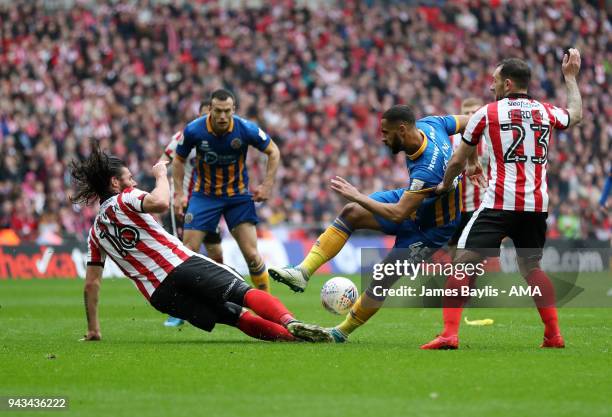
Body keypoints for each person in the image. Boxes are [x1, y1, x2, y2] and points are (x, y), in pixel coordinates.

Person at [71, 145, 330, 343]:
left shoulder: (96, 232)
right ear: (115, 183)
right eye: (129, 178)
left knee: (235, 317)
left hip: (159, 296)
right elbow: (160, 203)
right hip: (181, 265)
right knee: (243, 293)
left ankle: (294, 339)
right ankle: (290, 322)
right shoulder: (126, 198)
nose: (134, 182)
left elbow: (91, 283)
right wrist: (162, 176)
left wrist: (93, 329)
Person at [421, 49, 583, 350]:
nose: (490, 85)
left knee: (462, 265)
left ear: (508, 83)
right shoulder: (546, 111)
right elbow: (576, 115)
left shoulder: (487, 113)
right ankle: (553, 335)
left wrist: (444, 185)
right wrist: (570, 78)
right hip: (536, 205)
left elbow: (458, 160)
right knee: (532, 268)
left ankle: (449, 334)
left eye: (494, 80)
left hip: (499, 202)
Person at [272, 106, 472, 342]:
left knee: (381, 278)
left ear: (402, 129)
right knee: (352, 213)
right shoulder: (433, 124)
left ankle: (341, 332)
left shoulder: (427, 169)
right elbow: (472, 121)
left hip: (431, 228)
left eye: (386, 132)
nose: (383, 137)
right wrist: (473, 158)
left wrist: (358, 195)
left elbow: (398, 214)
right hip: (412, 200)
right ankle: (302, 272)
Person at [173, 89, 280, 293]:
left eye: (227, 111)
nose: (222, 116)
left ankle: (267, 303)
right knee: (188, 251)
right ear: (210, 109)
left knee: (251, 254)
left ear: (234, 110)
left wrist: (267, 185)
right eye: (218, 111)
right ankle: (186, 304)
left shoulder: (246, 128)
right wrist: (179, 194)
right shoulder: (194, 130)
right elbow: (178, 159)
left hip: (237, 196)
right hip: (204, 196)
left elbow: (273, 151)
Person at [160, 101, 224, 327]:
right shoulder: (185, 136)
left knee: (216, 253)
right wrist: (171, 192)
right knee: (185, 254)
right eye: (206, 116)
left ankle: (223, 295)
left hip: (209, 202)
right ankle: (179, 309)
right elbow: (163, 161)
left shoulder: (221, 137)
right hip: (184, 202)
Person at [447, 97, 487, 255]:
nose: (471, 116)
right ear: (461, 115)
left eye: (474, 112)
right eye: (467, 113)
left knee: (471, 251)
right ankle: (455, 277)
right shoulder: (450, 140)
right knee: (453, 249)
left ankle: (468, 279)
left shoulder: (489, 140)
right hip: (453, 206)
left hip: (478, 204)